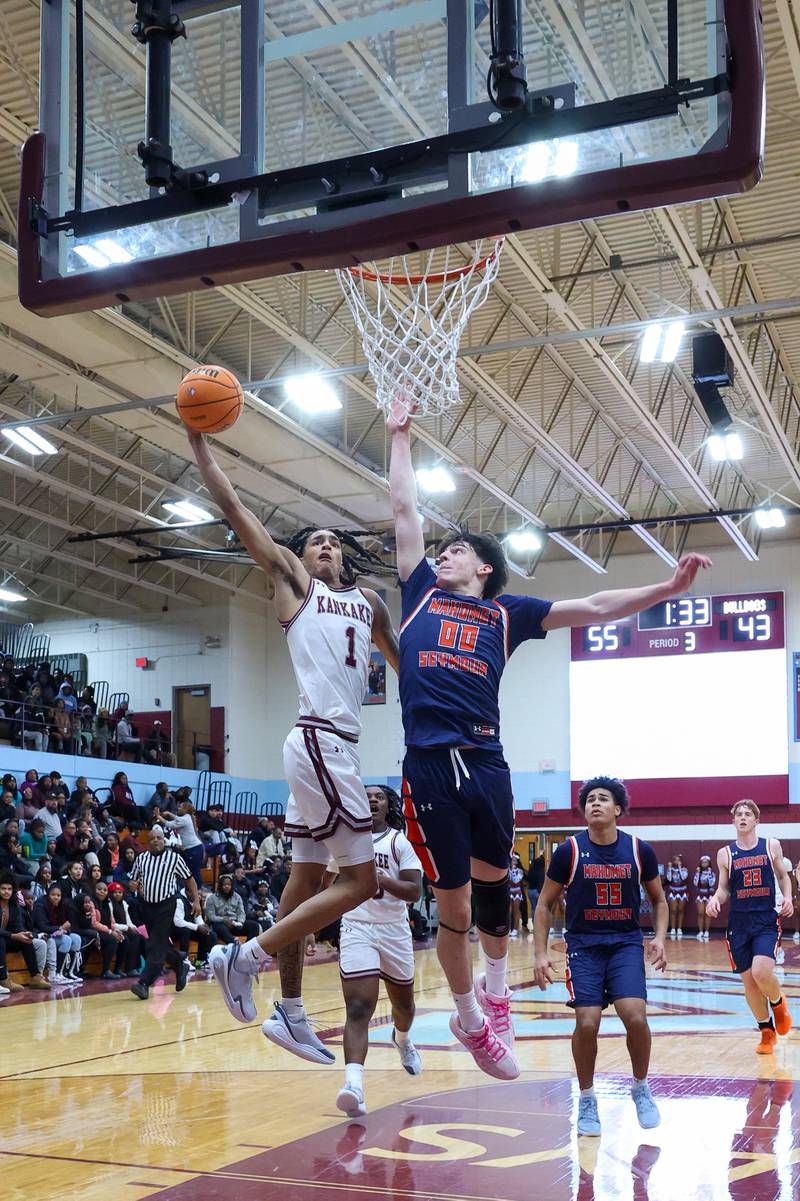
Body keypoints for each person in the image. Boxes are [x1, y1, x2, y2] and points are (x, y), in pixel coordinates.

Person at [387, 402, 710, 1079]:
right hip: (427, 763)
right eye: (441, 550)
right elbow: (404, 514)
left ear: (482, 569)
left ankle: (497, 999)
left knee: (497, 896)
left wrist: (667, 586)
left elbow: (593, 607)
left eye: (457, 551)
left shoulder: (508, 612)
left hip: (485, 759)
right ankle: (472, 1016)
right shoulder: (419, 590)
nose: (442, 554)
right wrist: (399, 436)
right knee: (453, 905)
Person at [187, 428, 400, 1060]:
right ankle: (243, 957)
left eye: (335, 542)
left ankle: (291, 1009)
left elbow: (405, 664)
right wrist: (203, 449)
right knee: (360, 881)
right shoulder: (294, 588)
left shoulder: (367, 603)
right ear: (301, 559)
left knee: (307, 873)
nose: (327, 547)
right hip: (320, 742)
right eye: (315, 543)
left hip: (333, 748)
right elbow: (235, 510)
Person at [533, 777, 667, 1136]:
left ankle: (640, 1086)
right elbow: (544, 903)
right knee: (588, 1023)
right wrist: (540, 953)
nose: (595, 803)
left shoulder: (640, 850)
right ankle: (588, 1097)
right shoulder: (569, 851)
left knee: (634, 1016)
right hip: (584, 946)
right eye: (590, 799)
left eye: (603, 799)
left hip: (624, 943)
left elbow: (659, 900)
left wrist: (660, 938)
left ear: (618, 809)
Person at [333, 784, 423, 1118]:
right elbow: (330, 888)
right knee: (358, 1006)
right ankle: (353, 1086)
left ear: (388, 806)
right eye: (366, 796)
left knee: (405, 1007)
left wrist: (382, 880)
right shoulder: (345, 843)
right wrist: (313, 929)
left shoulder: (399, 841)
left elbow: (414, 890)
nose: (372, 800)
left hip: (394, 930)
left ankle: (401, 1038)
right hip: (356, 926)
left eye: (379, 797)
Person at [706, 800, 793, 1055]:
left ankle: (778, 1004)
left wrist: (787, 897)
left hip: (765, 919)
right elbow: (724, 889)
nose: (743, 818)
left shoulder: (770, 845)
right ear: (733, 821)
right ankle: (766, 1032)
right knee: (749, 982)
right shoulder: (725, 854)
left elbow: (782, 876)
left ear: (757, 820)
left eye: (748, 814)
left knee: (761, 972)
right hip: (739, 923)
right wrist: (714, 898)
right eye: (738, 815)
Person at [128, 826, 200, 1000]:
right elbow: (134, 881)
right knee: (156, 943)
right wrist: (133, 886)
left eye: (159, 838)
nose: (155, 841)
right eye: (152, 838)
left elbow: (189, 879)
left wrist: (196, 901)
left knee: (155, 946)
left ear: (164, 840)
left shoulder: (174, 858)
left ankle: (144, 983)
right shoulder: (141, 858)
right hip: (147, 906)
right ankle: (179, 964)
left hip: (166, 905)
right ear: (148, 842)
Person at [0, 871, 51, 989]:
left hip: (6, 939)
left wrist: (25, 933)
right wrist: (13, 935)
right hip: (2, 940)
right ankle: (3, 978)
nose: (6, 891)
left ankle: (35, 977)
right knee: (1, 940)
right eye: (3, 888)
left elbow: (18, 927)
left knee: (26, 940)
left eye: (9, 889)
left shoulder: (14, 906)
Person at [160, 798, 205, 886]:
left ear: (186, 810)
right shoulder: (187, 817)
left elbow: (170, 824)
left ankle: (198, 891)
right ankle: (191, 890)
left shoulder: (185, 819)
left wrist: (159, 817)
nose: (178, 808)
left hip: (193, 849)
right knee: (188, 871)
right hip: (193, 848)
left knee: (194, 872)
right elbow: (176, 818)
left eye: (180, 807)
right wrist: (169, 814)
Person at [204, 874, 260, 944]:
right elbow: (211, 916)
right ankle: (235, 946)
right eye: (224, 885)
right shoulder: (212, 898)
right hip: (220, 923)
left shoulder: (237, 897)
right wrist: (223, 919)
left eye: (229, 885)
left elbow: (241, 913)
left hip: (235, 923)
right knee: (220, 928)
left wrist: (241, 922)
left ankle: (248, 947)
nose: (227, 886)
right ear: (220, 886)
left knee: (254, 925)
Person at [665, 854, 688, 939]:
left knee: (681, 910)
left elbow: (683, 877)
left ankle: (679, 928)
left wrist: (679, 867)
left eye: (678, 860)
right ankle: (673, 928)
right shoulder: (670, 869)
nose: (677, 862)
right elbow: (669, 879)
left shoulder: (684, 869)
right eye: (675, 860)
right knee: (673, 910)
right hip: (673, 891)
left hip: (682, 891)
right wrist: (669, 868)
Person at [694, 854, 716, 941]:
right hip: (700, 894)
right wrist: (698, 873)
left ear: (709, 863)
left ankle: (707, 931)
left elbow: (711, 883)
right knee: (700, 913)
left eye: (706, 862)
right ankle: (700, 931)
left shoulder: (712, 873)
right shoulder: (698, 872)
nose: (704, 863)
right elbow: (695, 883)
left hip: (708, 894)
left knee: (707, 913)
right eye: (703, 862)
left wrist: (710, 873)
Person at [509, 852, 525, 939]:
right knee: (509, 911)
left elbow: (515, 880)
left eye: (514, 860)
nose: (512, 861)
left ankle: (515, 929)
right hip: (509, 892)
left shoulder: (520, 871)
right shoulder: (508, 870)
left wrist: (513, 871)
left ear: (517, 862)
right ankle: (508, 929)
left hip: (517, 893)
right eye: (512, 860)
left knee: (516, 911)